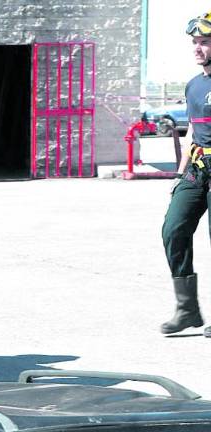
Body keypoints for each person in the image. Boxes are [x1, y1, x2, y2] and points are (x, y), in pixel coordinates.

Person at [161, 11, 211, 337]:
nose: (197, 48)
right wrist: (180, 175)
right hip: (197, 169)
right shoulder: (194, 86)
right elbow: (194, 129)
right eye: (195, 42)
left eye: (204, 42)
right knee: (173, 229)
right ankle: (187, 310)